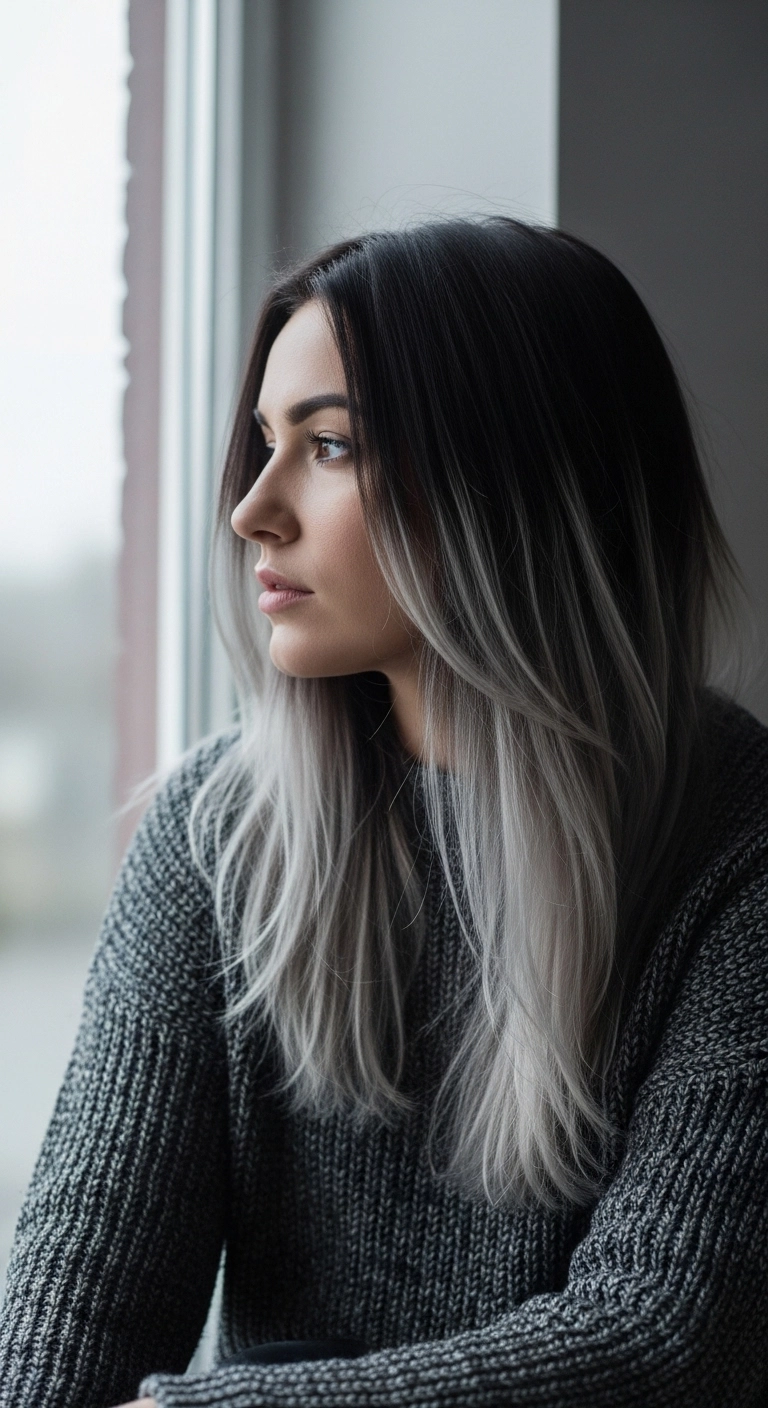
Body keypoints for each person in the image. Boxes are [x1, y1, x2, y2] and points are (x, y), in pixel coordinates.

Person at [1, 216, 766, 1408]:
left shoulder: (740, 851)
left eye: (332, 446)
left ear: (516, 479)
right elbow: (78, 1309)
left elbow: (662, 1340)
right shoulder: (215, 836)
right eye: (262, 444)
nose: (253, 510)